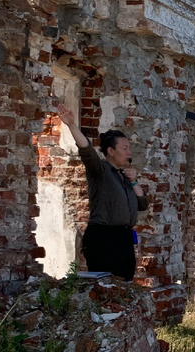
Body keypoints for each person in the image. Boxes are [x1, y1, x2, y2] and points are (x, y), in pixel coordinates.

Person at [55, 102, 148, 280]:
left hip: (125, 238)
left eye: (129, 148)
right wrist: (71, 125)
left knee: (125, 284)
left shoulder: (124, 177)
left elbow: (142, 205)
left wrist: (134, 181)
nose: (129, 151)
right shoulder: (100, 171)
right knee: (105, 285)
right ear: (111, 151)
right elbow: (87, 151)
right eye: (125, 148)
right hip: (104, 237)